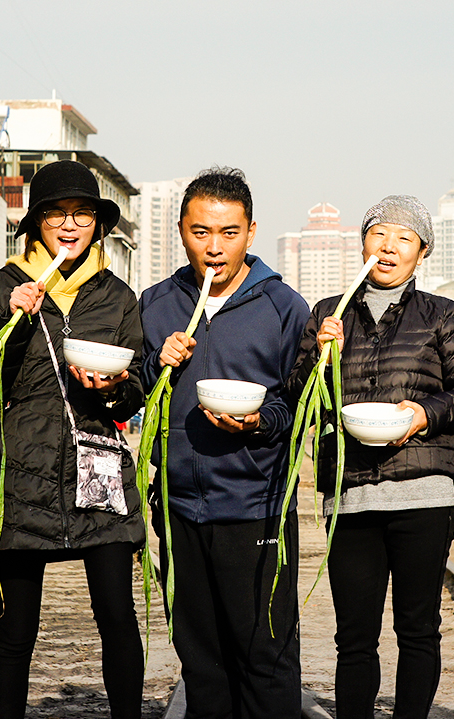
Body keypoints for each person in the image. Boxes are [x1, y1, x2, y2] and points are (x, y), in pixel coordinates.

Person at [287, 195, 454, 719]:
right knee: (354, 635)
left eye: (404, 238)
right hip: (350, 497)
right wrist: (316, 355)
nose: (389, 247)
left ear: (422, 253)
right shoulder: (328, 314)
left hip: (424, 493)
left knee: (417, 628)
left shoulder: (440, 313)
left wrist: (423, 414)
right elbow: (298, 401)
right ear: (362, 244)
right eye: (379, 235)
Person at [0, 160, 146, 719]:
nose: (71, 225)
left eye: (84, 214)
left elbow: (137, 386)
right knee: (17, 628)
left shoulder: (116, 296)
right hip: (22, 472)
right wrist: (14, 326)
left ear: (98, 224)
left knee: (117, 615)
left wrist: (115, 388)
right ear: (37, 221)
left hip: (101, 470)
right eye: (57, 214)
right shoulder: (1, 287)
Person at [139, 167, 309, 718]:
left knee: (265, 657)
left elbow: (300, 405)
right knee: (201, 660)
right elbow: (132, 393)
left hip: (255, 508)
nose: (214, 248)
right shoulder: (157, 303)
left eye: (228, 233)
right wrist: (151, 366)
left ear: (251, 232)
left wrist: (258, 425)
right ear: (181, 232)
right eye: (200, 232)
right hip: (181, 510)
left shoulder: (283, 307)